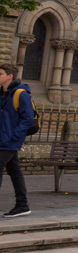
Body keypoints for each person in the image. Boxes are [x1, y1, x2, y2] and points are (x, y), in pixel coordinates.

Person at [0, 63, 34, 218]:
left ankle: (22, 204)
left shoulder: (21, 94)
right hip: (3, 139)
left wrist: (13, 137)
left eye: (0, 74)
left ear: (9, 76)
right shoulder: (3, 94)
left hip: (9, 140)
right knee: (15, 171)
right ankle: (22, 205)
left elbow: (27, 119)